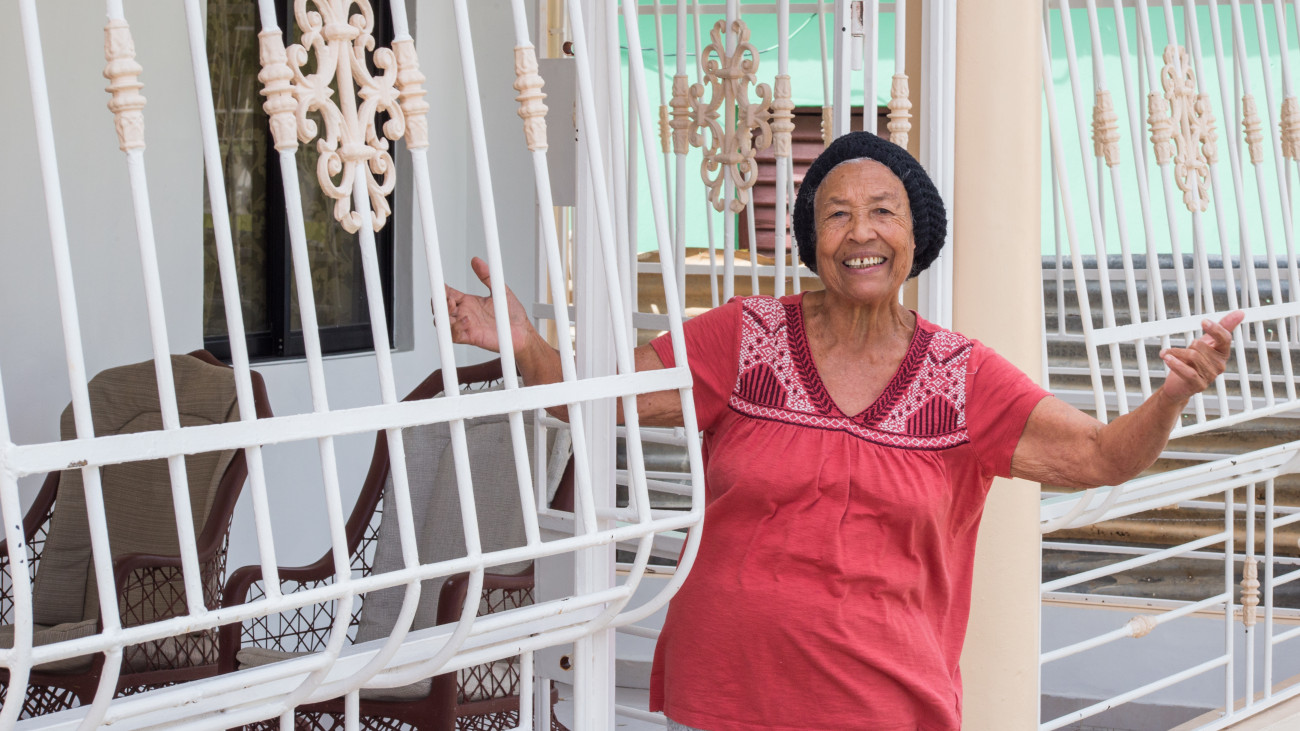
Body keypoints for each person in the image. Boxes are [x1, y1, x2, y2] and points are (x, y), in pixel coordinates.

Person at [443, 132, 1244, 731]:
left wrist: (1172, 396)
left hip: (884, 705)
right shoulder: (746, 337)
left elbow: (1101, 456)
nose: (860, 232)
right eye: (837, 214)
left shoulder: (960, 376)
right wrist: (527, 347)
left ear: (915, 237)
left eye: (882, 211)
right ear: (811, 239)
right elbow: (604, 401)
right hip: (726, 690)